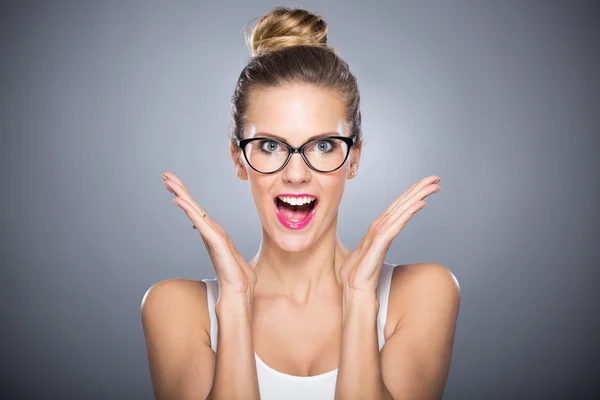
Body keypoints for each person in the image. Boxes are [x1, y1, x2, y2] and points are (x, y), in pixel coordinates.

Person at [141, 6, 460, 400]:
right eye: (270, 146)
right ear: (239, 159)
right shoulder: (176, 308)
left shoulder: (423, 294)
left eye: (324, 145)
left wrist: (360, 298)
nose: (295, 174)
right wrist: (236, 302)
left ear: (354, 157)